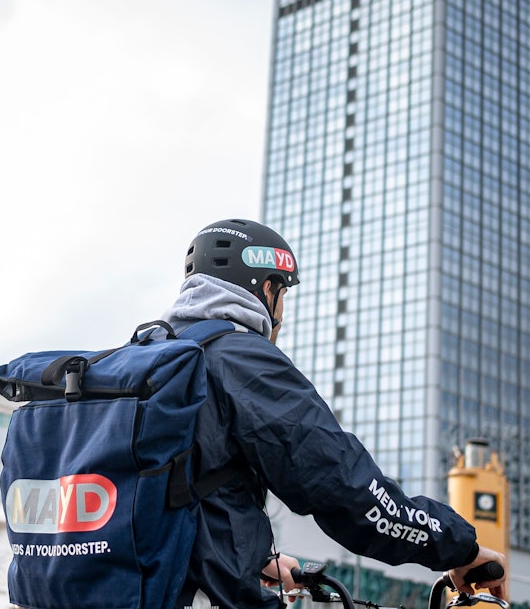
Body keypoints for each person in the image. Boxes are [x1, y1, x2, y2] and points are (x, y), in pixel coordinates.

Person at [161, 218, 507, 608]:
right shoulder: (243, 361)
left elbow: (177, 496)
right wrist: (459, 548)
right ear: (267, 288)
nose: (282, 315)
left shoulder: (146, 360)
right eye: (283, 295)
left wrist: (256, 560)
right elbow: (347, 489)